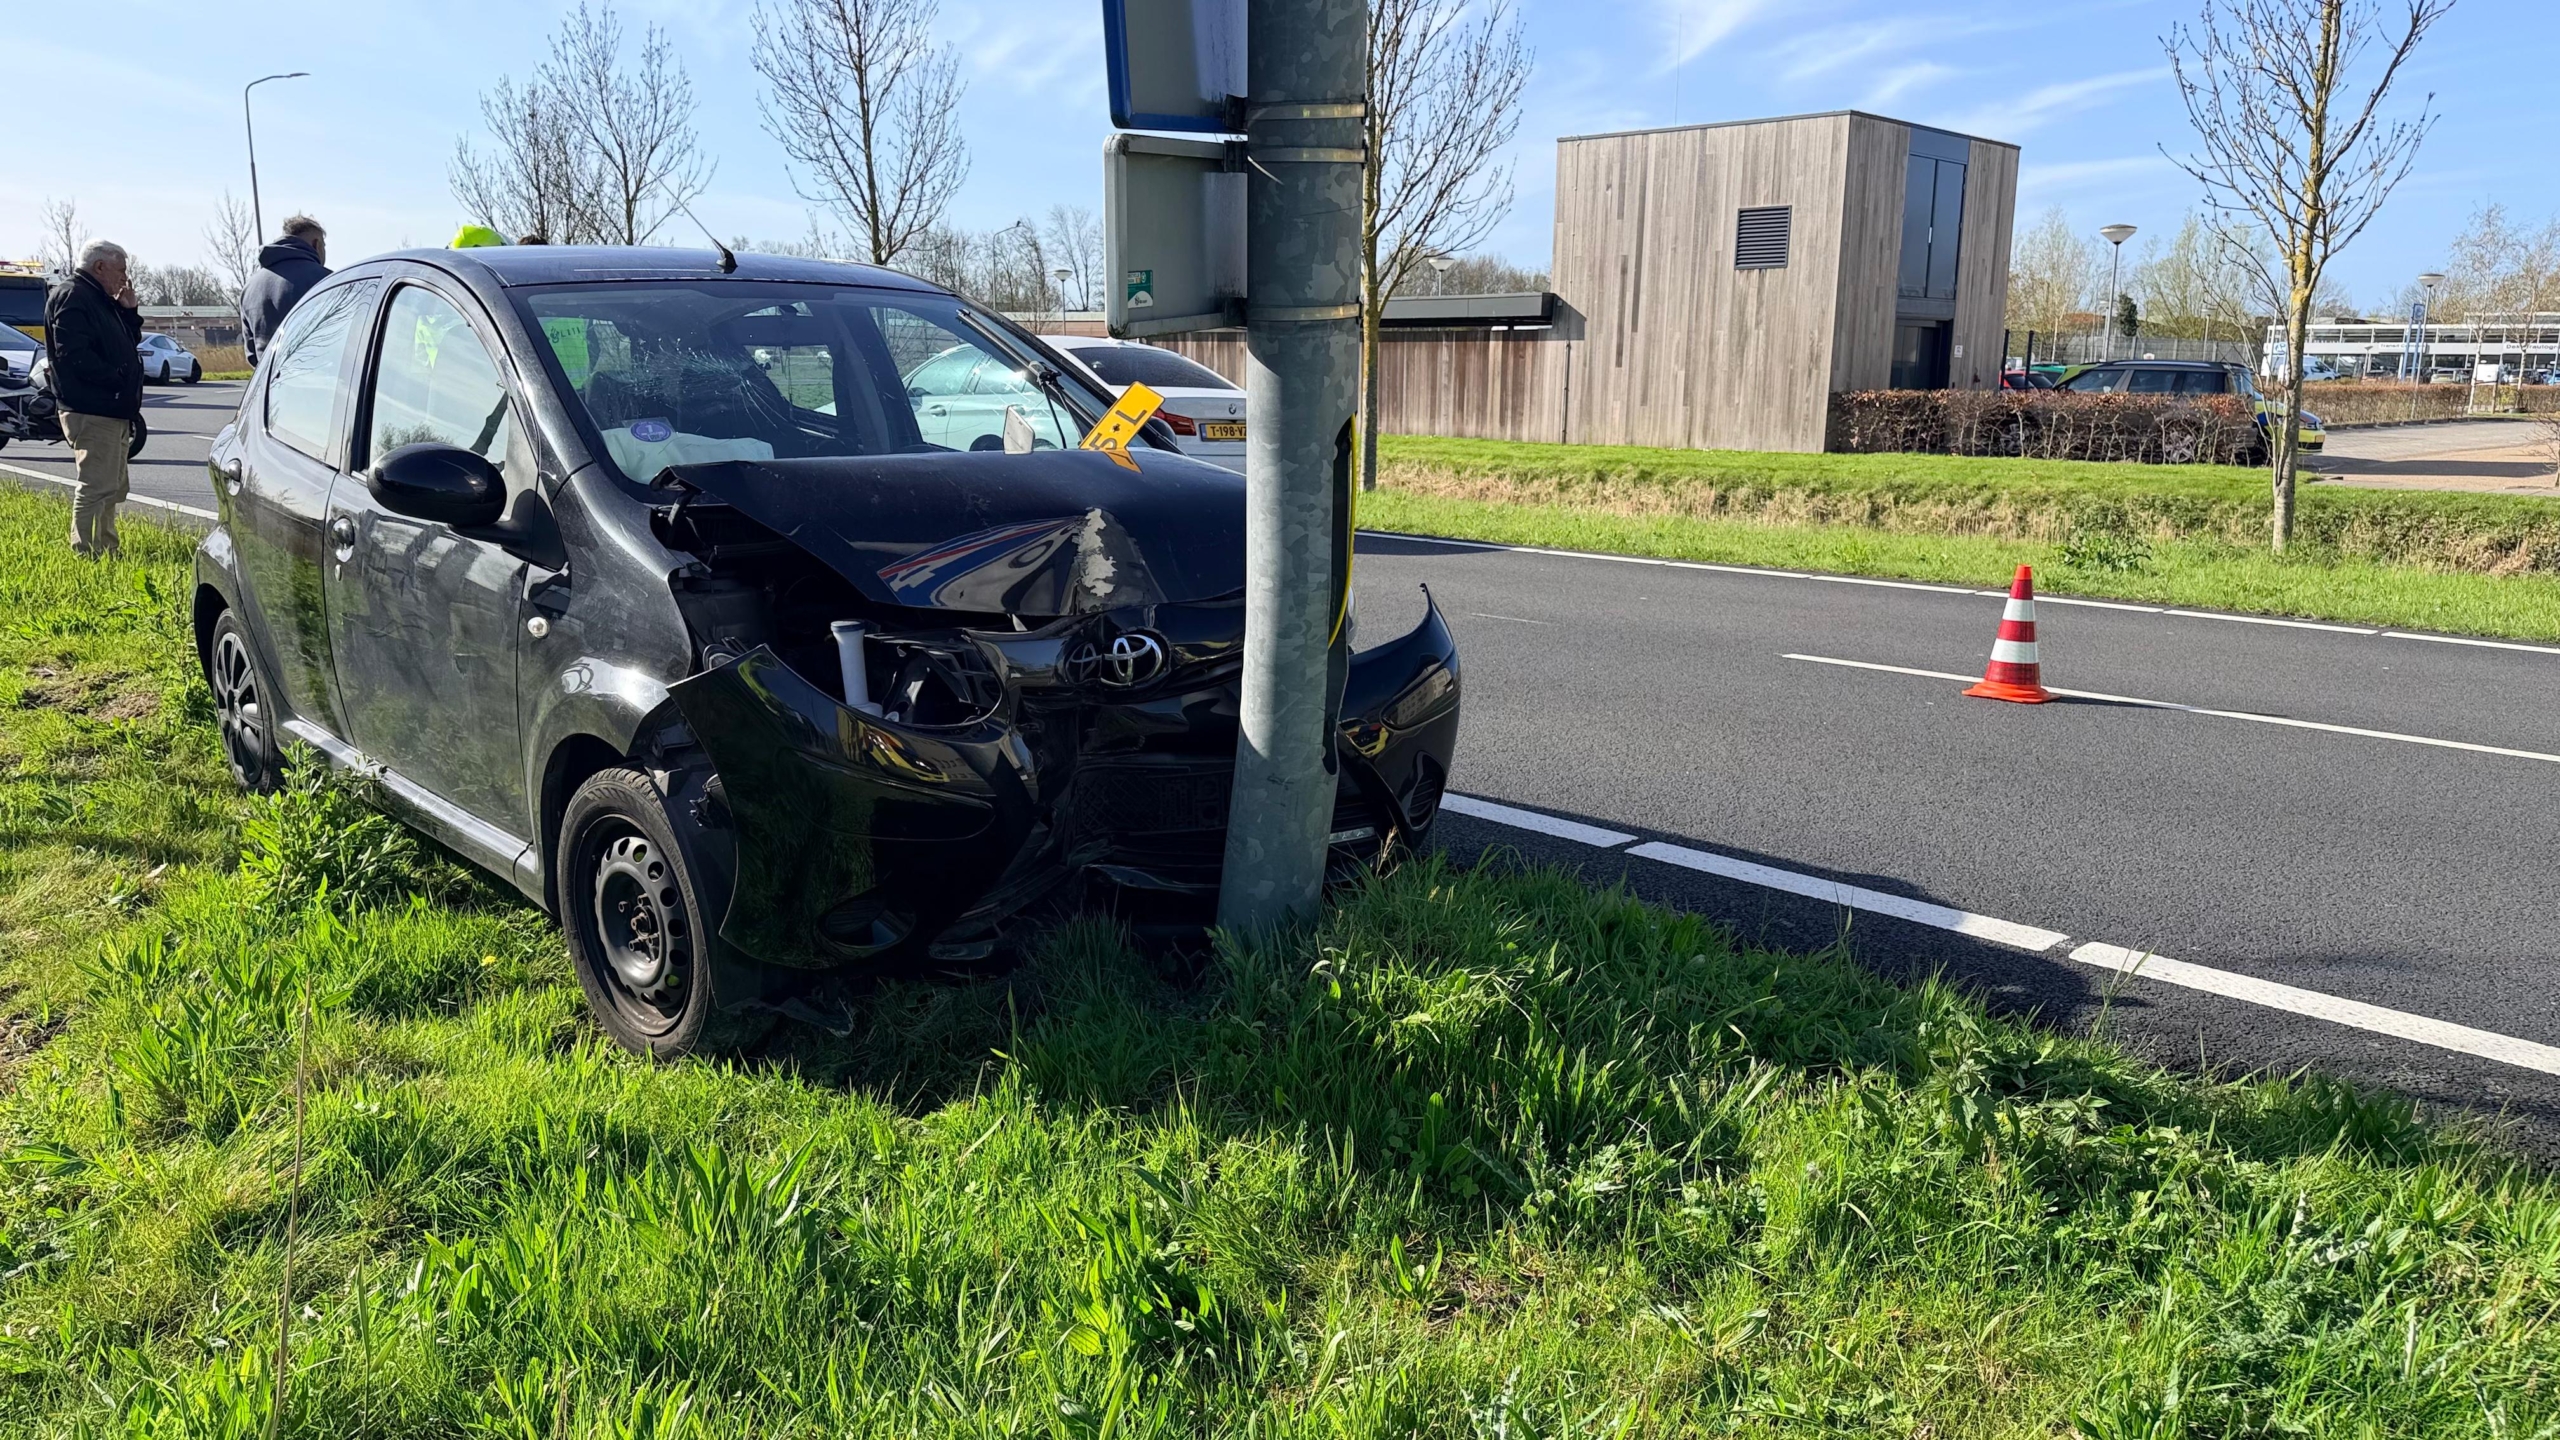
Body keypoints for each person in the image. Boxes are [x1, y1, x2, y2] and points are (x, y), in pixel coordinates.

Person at [42, 240, 144, 557]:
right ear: (100, 267)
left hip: (110, 407)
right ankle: (86, 552)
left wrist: (128, 312)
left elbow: (125, 341)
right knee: (96, 485)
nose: (125, 279)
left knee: (112, 487)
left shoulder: (99, 298)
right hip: (93, 407)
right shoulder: (74, 296)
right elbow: (72, 354)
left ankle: (107, 548)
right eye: (121, 270)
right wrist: (116, 379)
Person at [239, 215, 329, 363]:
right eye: (324, 246)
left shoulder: (249, 288)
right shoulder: (326, 281)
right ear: (316, 244)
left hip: (269, 381)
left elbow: (252, 353)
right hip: (319, 379)